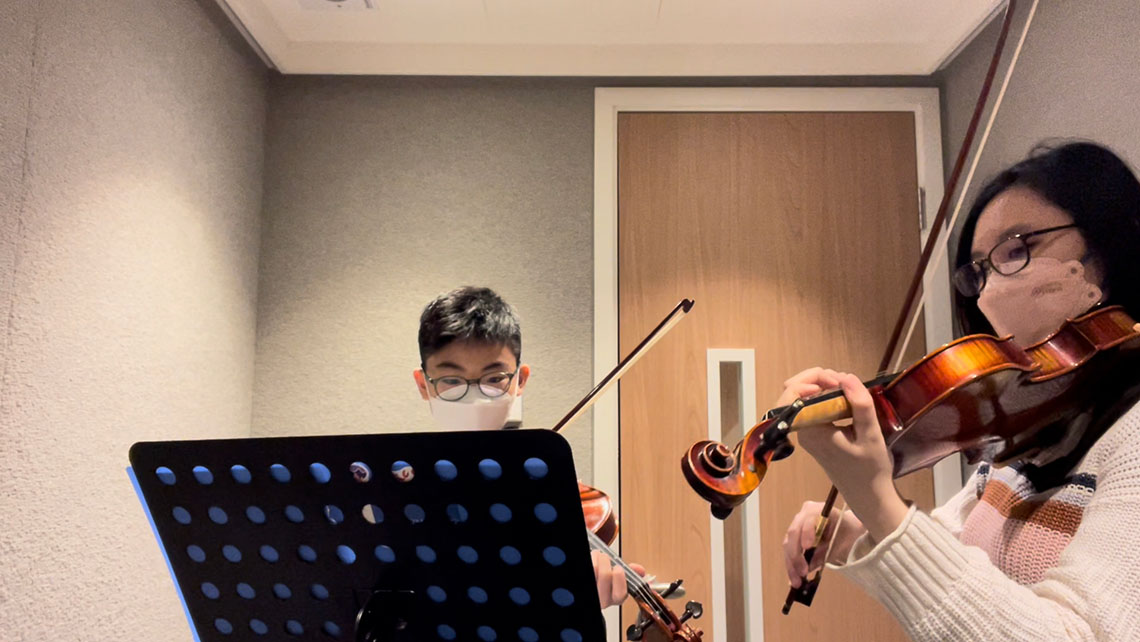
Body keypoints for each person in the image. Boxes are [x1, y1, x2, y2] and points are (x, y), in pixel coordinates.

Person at [780, 142, 1140, 640]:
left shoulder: (1131, 440)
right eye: (981, 270)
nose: (991, 289)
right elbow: (956, 562)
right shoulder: (1030, 435)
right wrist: (859, 531)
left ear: (1110, 243)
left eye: (1018, 248)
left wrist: (876, 498)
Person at [412, 286, 644, 610]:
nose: (474, 396)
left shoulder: (548, 490)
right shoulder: (402, 488)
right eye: (452, 380)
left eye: (494, 379)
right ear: (424, 385)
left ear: (520, 381)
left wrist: (581, 599)